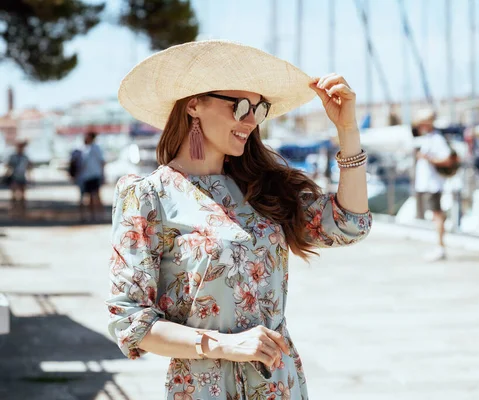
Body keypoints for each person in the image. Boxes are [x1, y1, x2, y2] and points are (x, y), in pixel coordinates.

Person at [106, 40, 372, 399]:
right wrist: (222, 345)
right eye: (240, 106)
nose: (250, 120)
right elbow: (129, 323)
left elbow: (350, 224)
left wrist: (348, 131)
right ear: (194, 104)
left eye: (259, 109)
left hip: (278, 383)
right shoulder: (147, 196)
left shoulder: (263, 186)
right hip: (205, 388)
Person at [413, 109, 452, 261]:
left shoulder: (437, 139)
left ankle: (440, 247)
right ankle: (439, 246)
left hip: (433, 184)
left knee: (437, 215)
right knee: (435, 215)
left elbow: (447, 159)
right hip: (428, 184)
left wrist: (427, 158)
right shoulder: (429, 138)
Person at [76, 131, 105, 221]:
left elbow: (102, 162)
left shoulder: (96, 148)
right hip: (85, 176)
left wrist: (103, 175)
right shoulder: (83, 149)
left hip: (94, 175)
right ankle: (85, 216)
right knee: (85, 197)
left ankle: (97, 215)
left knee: (94, 196)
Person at [5, 140, 32, 210]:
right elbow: (9, 167)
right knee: (13, 194)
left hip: (22, 177)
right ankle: (13, 208)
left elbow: (29, 167)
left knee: (23, 194)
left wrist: (30, 177)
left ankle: (23, 209)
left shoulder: (25, 157)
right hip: (14, 177)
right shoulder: (13, 156)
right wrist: (6, 176)